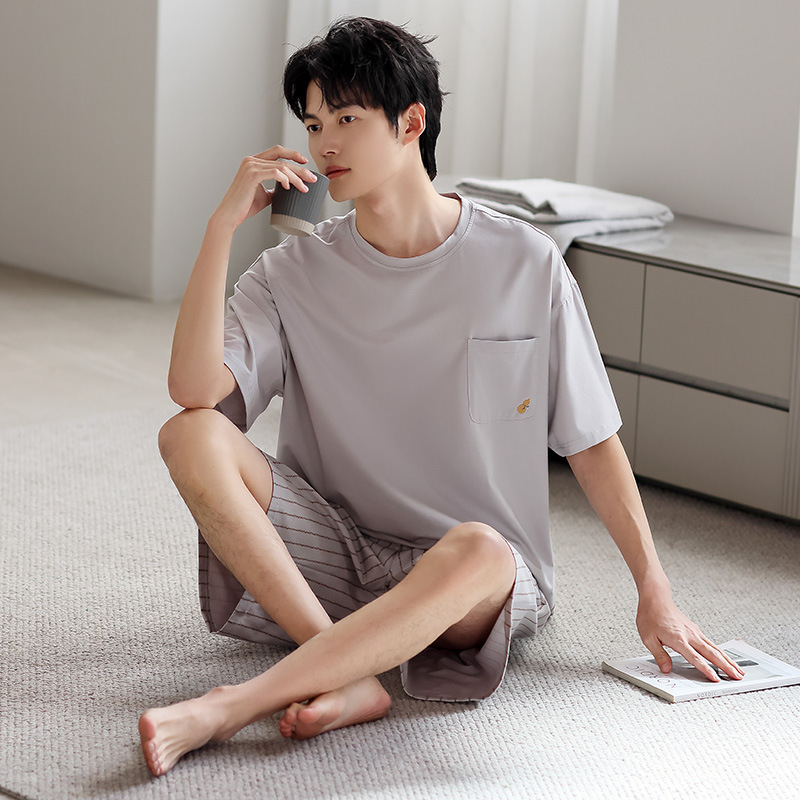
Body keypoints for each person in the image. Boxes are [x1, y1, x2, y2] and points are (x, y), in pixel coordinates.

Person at [138, 16, 742, 777]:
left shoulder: (524, 262)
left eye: (346, 120)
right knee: (189, 432)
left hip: (469, 579)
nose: (324, 145)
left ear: (411, 123)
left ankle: (235, 705)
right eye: (314, 124)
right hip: (339, 552)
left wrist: (654, 590)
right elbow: (193, 392)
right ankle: (344, 670)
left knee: (481, 548)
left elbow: (590, 441)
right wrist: (221, 227)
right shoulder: (292, 272)